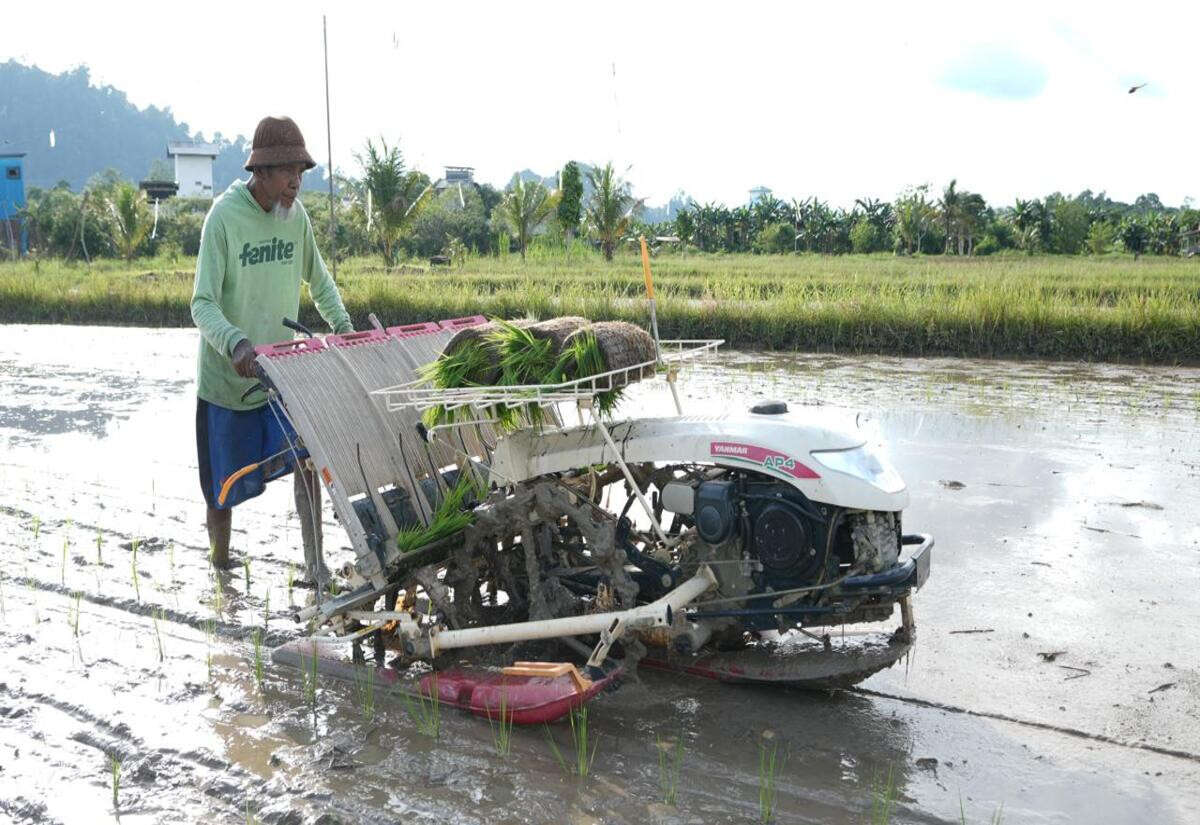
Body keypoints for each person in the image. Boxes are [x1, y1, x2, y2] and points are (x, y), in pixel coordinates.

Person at [191, 115, 352, 586]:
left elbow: (319, 281)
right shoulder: (224, 219)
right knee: (220, 491)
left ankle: (315, 566)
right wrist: (236, 342)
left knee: (306, 461)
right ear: (259, 172)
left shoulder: (295, 217)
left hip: (283, 375)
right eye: (287, 173)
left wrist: (343, 329)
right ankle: (220, 570)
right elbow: (201, 304)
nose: (295, 184)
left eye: (300, 174)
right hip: (230, 380)